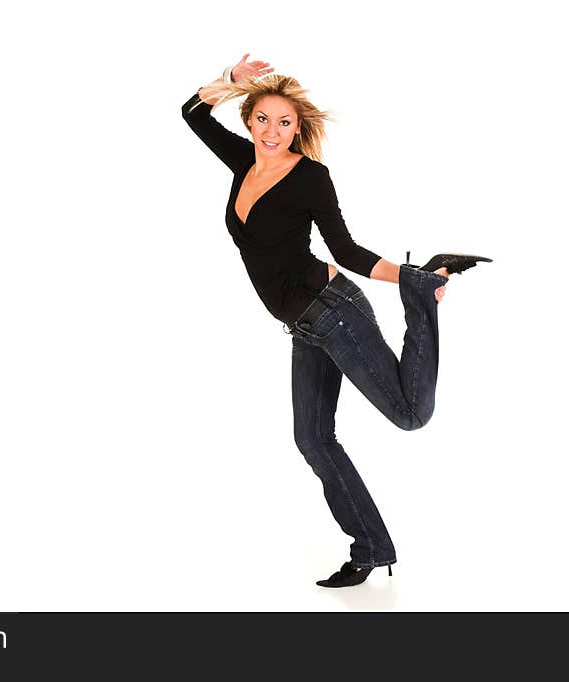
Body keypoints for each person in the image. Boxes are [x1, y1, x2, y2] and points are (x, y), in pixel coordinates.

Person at [180, 54, 491, 588]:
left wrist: (406, 276)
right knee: (313, 439)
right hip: (303, 326)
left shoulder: (310, 178)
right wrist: (231, 81)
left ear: (297, 128)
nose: (272, 131)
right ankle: (372, 549)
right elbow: (191, 113)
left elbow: (345, 249)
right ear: (248, 119)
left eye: (284, 123)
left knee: (409, 415)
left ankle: (423, 290)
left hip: (334, 311)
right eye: (263, 119)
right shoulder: (244, 164)